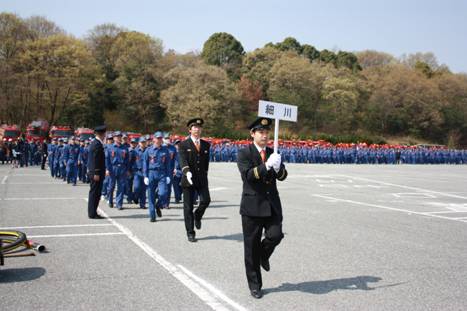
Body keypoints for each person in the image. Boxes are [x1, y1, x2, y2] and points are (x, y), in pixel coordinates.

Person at [236, 117, 288, 299]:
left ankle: (263, 254)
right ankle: (255, 285)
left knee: (276, 234)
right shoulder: (244, 153)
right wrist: (266, 165)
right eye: (261, 132)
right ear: (252, 134)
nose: (265, 135)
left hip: (271, 204)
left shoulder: (273, 152)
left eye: (267, 133)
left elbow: (283, 176)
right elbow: (249, 176)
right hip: (252, 206)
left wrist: (278, 166)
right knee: (251, 247)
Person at [178, 118, 211, 242]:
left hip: (201, 178)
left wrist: (205, 174)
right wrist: (187, 172)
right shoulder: (183, 144)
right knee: (188, 207)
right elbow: (183, 160)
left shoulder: (206, 144)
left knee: (206, 201)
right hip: (188, 179)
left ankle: (198, 215)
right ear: (190, 130)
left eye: (199, 127)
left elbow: (206, 163)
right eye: (195, 127)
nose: (197, 129)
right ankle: (190, 232)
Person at [143, 131, 170, 222]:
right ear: (154, 139)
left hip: (162, 173)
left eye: (160, 138)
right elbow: (145, 163)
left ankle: (158, 205)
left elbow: (168, 164)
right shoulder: (148, 150)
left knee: (163, 193)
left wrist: (168, 176)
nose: (159, 140)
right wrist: (145, 176)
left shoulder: (165, 150)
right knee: (151, 195)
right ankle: (152, 215)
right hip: (151, 173)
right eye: (157, 138)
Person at [87, 125, 107, 219]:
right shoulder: (97, 144)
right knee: (95, 193)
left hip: (96, 172)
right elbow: (95, 160)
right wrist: (96, 172)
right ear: (102, 134)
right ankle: (92, 213)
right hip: (96, 173)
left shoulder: (96, 143)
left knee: (96, 193)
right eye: (104, 134)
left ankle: (93, 212)